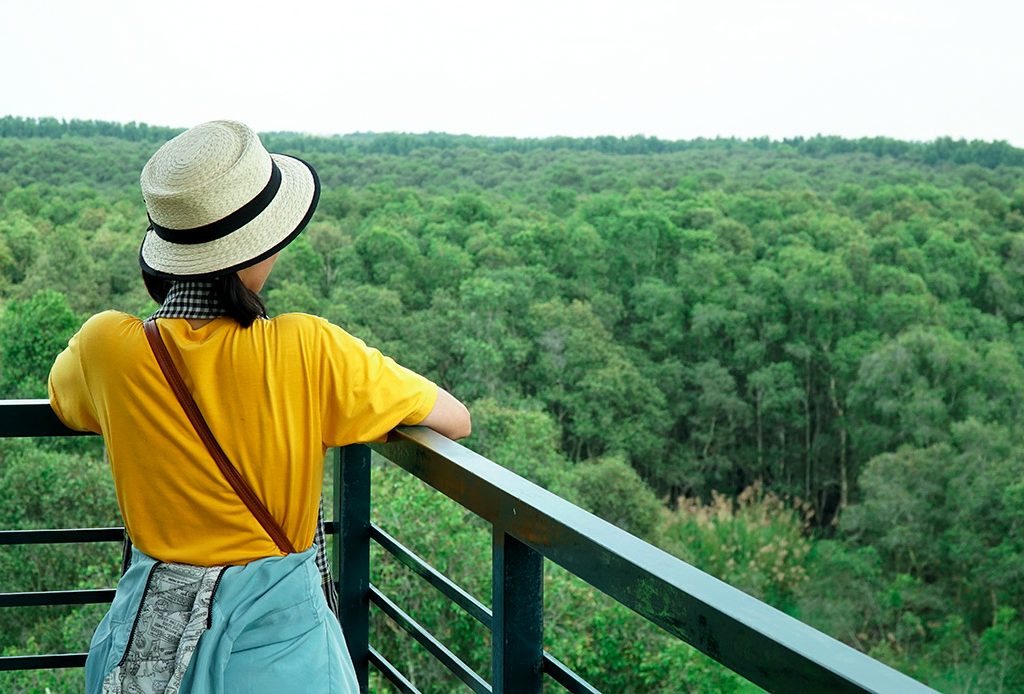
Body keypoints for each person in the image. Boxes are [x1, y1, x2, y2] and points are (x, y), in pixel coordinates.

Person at [47, 120, 471, 693]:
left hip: (150, 650)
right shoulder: (306, 347)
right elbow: (454, 419)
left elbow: (66, 402)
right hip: (280, 651)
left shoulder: (104, 347)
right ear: (256, 248)